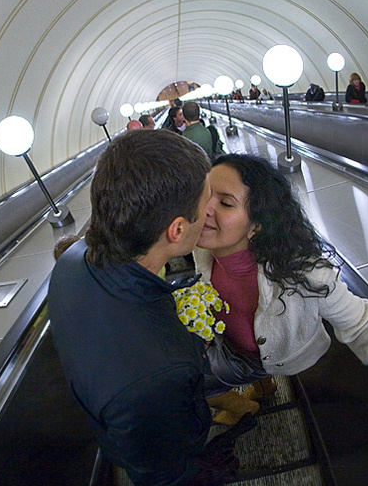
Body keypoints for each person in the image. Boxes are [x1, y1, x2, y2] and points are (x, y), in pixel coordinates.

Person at [194, 153, 368, 420]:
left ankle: (242, 408)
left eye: (226, 203)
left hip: (253, 358)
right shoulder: (202, 249)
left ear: (256, 226)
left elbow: (359, 321)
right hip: (224, 339)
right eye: (205, 193)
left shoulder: (303, 274)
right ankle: (264, 388)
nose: (205, 207)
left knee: (187, 384)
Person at [49, 130, 242, 486]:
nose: (211, 211)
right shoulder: (157, 375)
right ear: (177, 229)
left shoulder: (72, 261)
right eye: (206, 202)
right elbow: (163, 476)